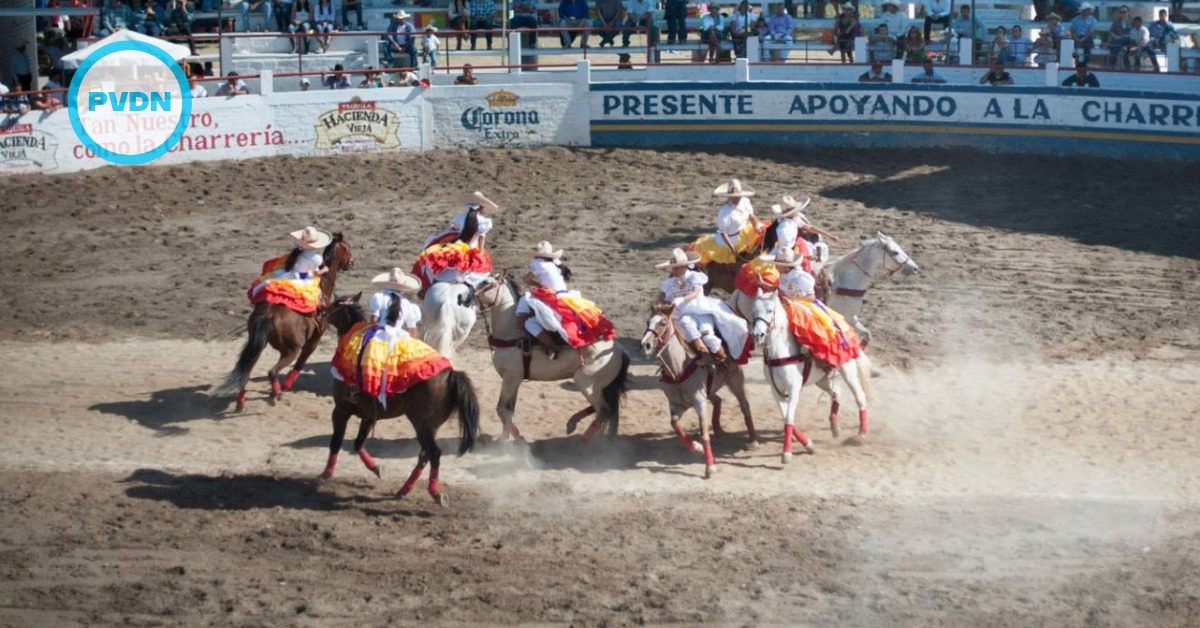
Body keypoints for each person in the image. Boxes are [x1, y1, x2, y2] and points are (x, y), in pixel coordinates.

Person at [765, 248, 861, 367]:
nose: (775, 268)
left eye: (778, 265)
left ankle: (811, 352)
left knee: (808, 325)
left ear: (786, 266)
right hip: (789, 304)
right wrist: (765, 286)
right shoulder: (784, 276)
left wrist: (793, 302)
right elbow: (781, 290)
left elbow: (810, 297)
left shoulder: (801, 277)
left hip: (804, 306)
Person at [517, 241, 616, 355]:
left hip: (553, 296)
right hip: (567, 296)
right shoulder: (556, 263)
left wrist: (539, 285)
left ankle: (541, 341)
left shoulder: (539, 263)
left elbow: (526, 280)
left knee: (525, 304)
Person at [657, 248, 750, 366]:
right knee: (686, 322)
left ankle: (726, 362)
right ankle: (702, 352)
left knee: (709, 337)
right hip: (684, 313)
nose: (674, 271)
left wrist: (682, 299)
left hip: (701, 310)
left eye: (677, 267)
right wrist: (662, 305)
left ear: (684, 266)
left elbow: (696, 293)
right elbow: (667, 299)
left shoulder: (694, 277)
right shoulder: (670, 283)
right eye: (673, 268)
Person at [413, 191, 498, 290]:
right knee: (484, 273)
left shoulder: (459, 217)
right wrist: (480, 254)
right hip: (471, 249)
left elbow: (455, 231)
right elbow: (481, 240)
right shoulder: (485, 222)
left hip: (456, 247)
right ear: (482, 207)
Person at [247, 226, 331, 314]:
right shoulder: (316, 258)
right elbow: (324, 269)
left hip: (290, 274)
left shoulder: (296, 250)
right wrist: (322, 271)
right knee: (318, 294)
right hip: (304, 277)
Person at [692, 178, 762, 265]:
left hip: (745, 231)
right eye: (734, 196)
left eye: (738, 196)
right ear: (729, 196)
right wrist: (732, 249)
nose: (736, 198)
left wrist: (756, 226)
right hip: (731, 239)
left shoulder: (745, 201)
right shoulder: (724, 212)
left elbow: (751, 216)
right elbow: (723, 233)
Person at [368, 268, 423, 340]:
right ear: (404, 286)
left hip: (379, 338)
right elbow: (412, 330)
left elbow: (374, 320)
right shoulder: (407, 305)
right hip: (399, 339)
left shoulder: (379, 298)